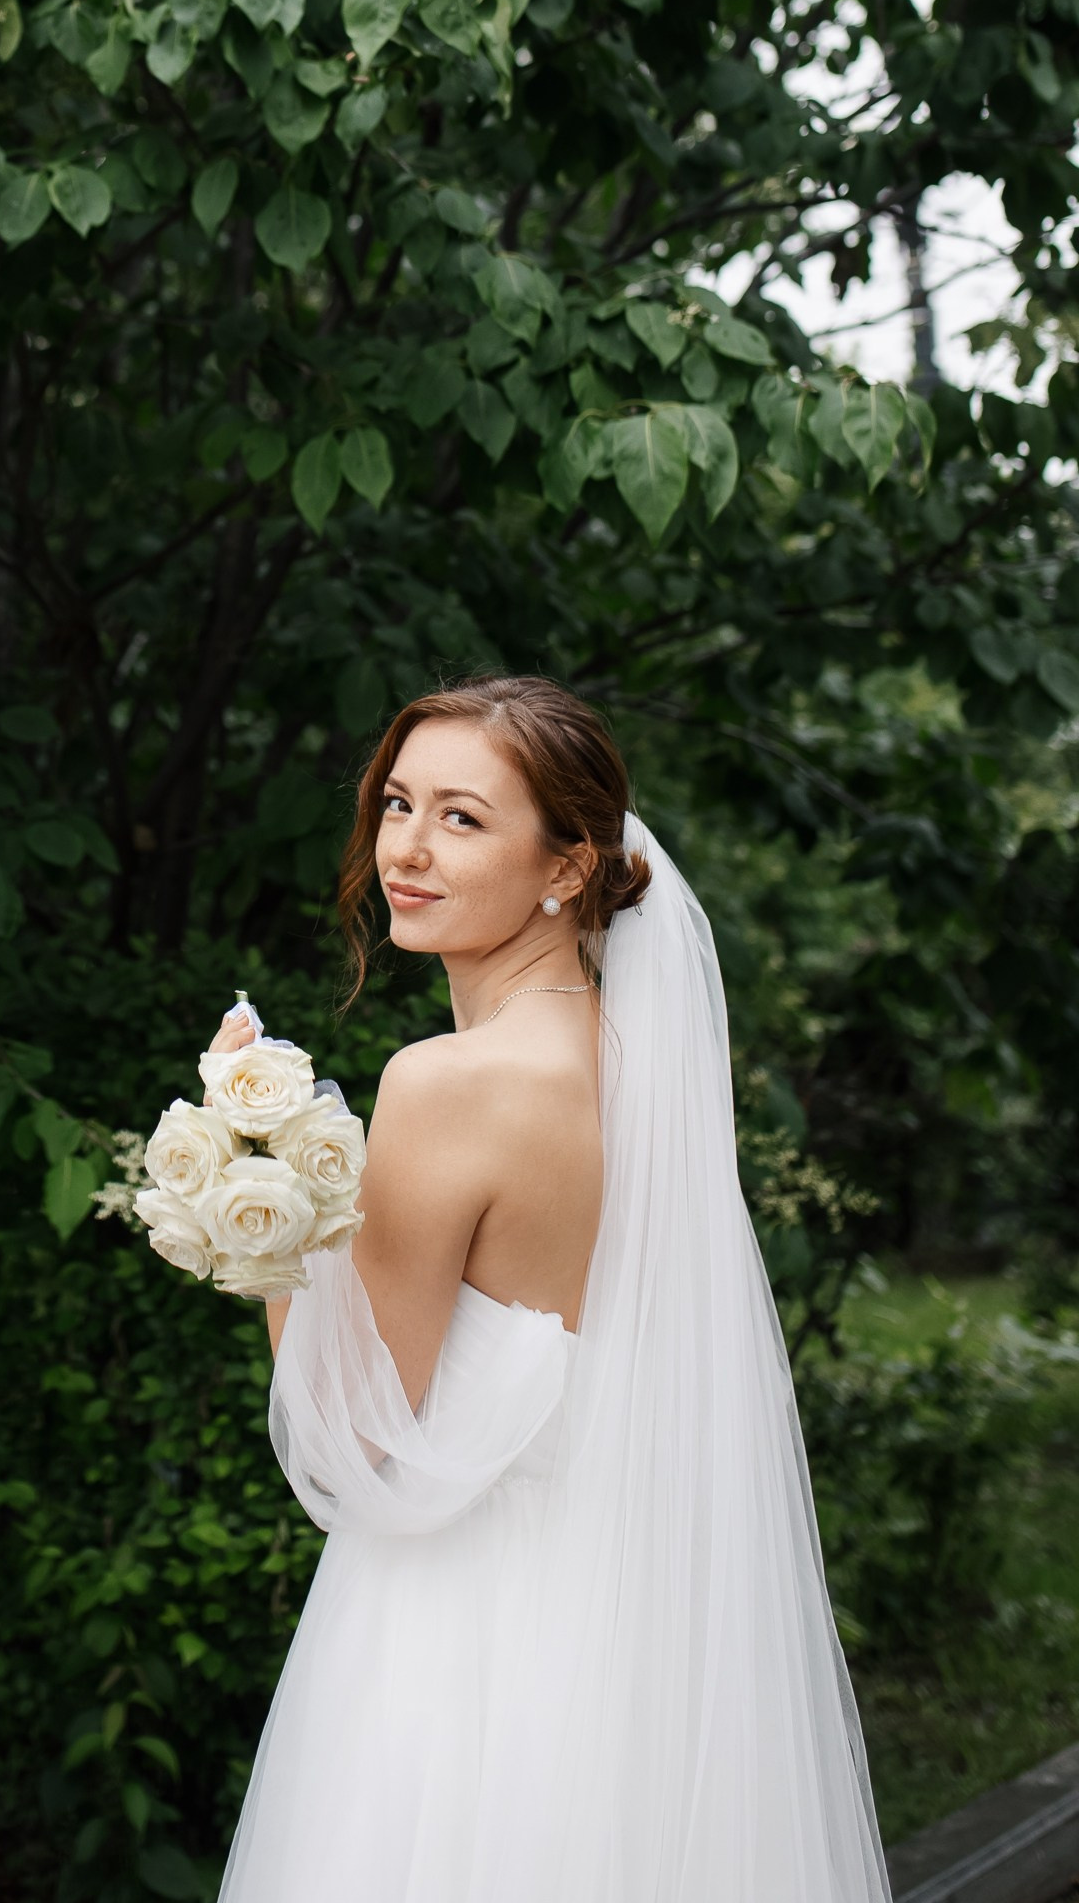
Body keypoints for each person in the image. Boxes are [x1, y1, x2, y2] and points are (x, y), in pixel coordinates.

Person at [210, 675, 890, 1903]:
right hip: (635, 1641)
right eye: (397, 803)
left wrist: (260, 1206)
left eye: (462, 818)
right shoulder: (638, 1065)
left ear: (566, 865)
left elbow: (358, 1450)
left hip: (461, 1648)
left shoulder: (445, 1084)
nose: (405, 849)